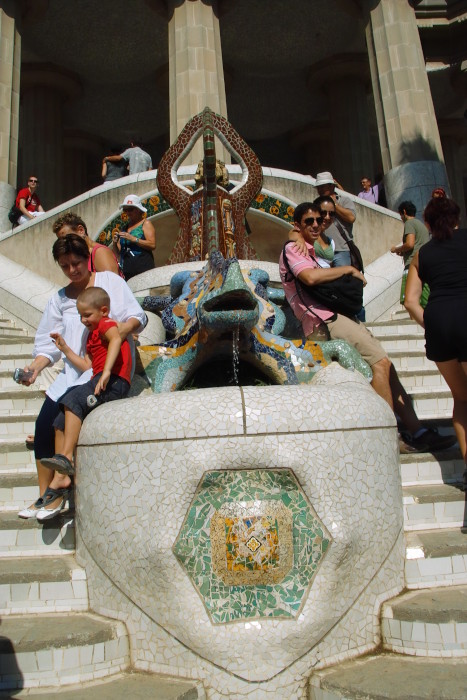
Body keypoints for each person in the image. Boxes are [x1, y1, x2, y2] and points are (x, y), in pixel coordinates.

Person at [279, 201, 456, 454]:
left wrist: (299, 235)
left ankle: (417, 430)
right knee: (380, 363)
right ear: (298, 224)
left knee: (386, 364)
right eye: (309, 221)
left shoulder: (311, 248)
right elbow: (308, 277)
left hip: (338, 315)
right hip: (324, 319)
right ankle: (389, 435)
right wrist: (348, 269)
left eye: (320, 219)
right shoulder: (293, 249)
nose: (317, 224)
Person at [17, 233, 147, 521]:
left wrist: (120, 334)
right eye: (65, 266)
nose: (72, 270)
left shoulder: (109, 283)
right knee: (42, 428)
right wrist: (35, 368)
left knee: (64, 416)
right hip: (74, 370)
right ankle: (46, 498)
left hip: (101, 370)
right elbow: (48, 344)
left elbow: (137, 315)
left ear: (85, 259)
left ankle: (59, 488)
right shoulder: (60, 299)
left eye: (76, 263)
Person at [404, 197, 467, 489]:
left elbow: (411, 302)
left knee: (462, 398)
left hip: (440, 320)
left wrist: (435, 325)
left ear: (427, 225)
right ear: (456, 219)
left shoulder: (423, 254)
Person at [40, 287, 132, 481]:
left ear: (104, 311)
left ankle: (66, 457)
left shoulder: (107, 324)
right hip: (100, 377)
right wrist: (65, 349)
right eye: (80, 316)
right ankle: (61, 473)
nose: (83, 320)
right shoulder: (91, 336)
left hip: (114, 381)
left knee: (72, 400)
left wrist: (107, 371)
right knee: (59, 420)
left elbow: (116, 339)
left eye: (87, 315)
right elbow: (86, 365)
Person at [53, 212, 122, 276]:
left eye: (68, 237)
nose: (65, 242)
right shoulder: (82, 255)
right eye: (61, 240)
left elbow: (114, 285)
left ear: (81, 230)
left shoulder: (99, 253)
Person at [314, 171, 356, 268]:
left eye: (323, 186)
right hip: (322, 251)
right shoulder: (316, 204)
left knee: (342, 280)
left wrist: (333, 204)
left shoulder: (344, 201)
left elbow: (351, 218)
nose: (320, 189)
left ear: (331, 186)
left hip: (341, 250)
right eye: (318, 187)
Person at [391, 201, 430, 306]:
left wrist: (396, 249)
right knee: (424, 300)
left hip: (412, 266)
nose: (401, 218)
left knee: (410, 301)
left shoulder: (409, 223)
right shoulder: (421, 225)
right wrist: (403, 252)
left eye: (400, 215)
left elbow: (410, 244)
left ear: (404, 211)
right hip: (425, 265)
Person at [112, 194, 156, 280]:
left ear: (138, 210)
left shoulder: (145, 224)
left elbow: (152, 245)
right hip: (127, 271)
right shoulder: (124, 228)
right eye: (126, 210)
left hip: (143, 268)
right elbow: (118, 254)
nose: (128, 213)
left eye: (131, 209)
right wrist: (114, 243)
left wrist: (134, 239)